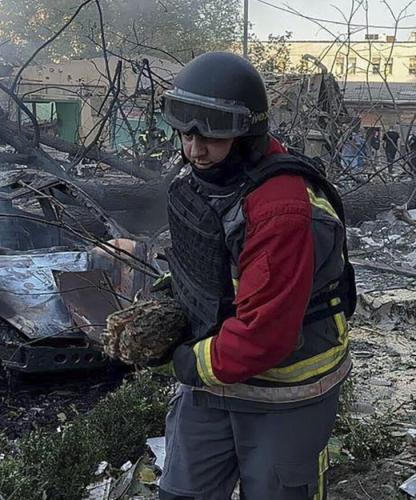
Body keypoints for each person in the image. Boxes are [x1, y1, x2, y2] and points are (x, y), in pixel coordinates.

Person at [158, 51, 355, 500]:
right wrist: (169, 303)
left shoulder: (281, 209)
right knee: (181, 491)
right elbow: (200, 261)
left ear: (245, 131)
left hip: (285, 389)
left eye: (210, 133)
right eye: (185, 131)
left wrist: (192, 361)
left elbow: (267, 334)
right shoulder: (200, 177)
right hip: (218, 372)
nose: (193, 148)